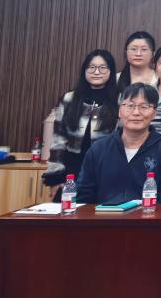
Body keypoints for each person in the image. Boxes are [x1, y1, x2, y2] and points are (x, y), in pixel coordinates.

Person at [71, 83, 161, 298]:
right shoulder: (99, 149)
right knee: (71, 266)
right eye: (130, 105)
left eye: (144, 106)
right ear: (119, 110)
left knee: (143, 271)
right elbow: (84, 196)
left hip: (148, 238)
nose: (136, 112)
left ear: (154, 113)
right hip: (102, 236)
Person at [43, 49, 120, 191]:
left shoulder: (119, 101)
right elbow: (58, 140)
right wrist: (55, 177)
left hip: (106, 170)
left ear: (111, 71)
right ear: (84, 70)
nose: (96, 72)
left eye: (102, 68)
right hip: (72, 170)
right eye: (91, 67)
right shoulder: (69, 99)